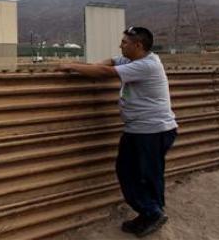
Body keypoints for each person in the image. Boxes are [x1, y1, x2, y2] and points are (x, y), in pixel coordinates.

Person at [56, 26, 178, 238]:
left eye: (124, 42)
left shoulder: (147, 65)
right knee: (147, 174)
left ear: (138, 45)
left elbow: (106, 72)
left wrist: (70, 66)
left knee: (132, 173)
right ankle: (152, 212)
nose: (120, 45)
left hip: (151, 131)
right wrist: (88, 66)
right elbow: (110, 62)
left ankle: (152, 212)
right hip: (143, 129)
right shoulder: (133, 60)